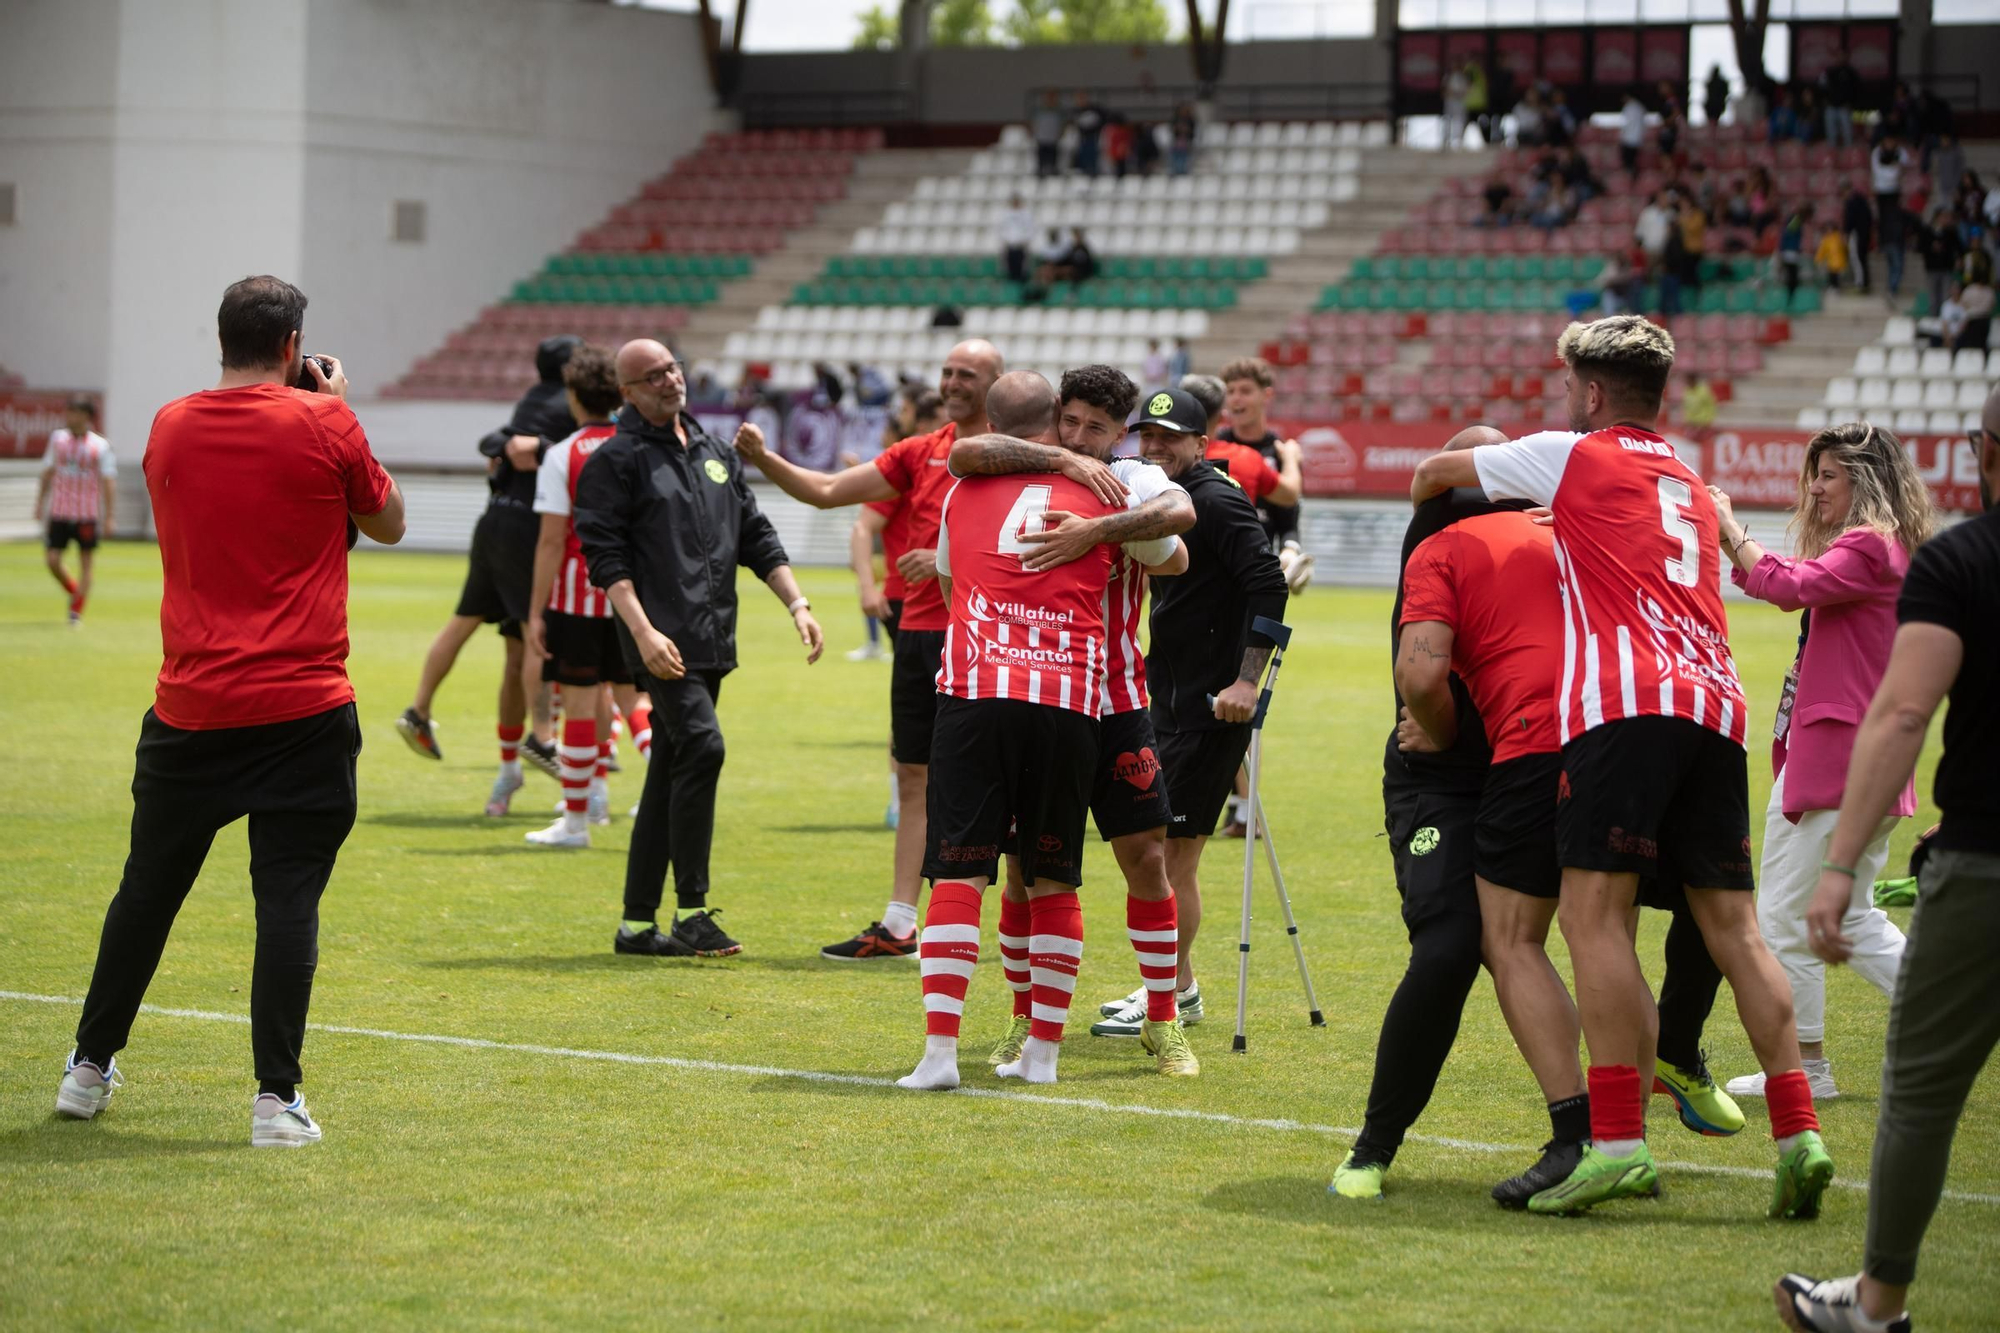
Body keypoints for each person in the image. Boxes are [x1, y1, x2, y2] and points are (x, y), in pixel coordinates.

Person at [1411, 314, 1834, 1220]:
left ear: (1593, 393)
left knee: (1591, 917)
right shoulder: (1687, 474)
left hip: (1624, 704)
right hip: (1716, 703)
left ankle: (1615, 1144)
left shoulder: (1573, 452)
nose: (1565, 401)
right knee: (1737, 928)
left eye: (1570, 388)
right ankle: (1800, 1130)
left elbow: (1439, 473)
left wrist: (1434, 504)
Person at [1334, 429, 1739, 1204]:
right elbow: (1421, 678)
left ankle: (1649, 1081)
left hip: (1555, 752)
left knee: (1695, 895)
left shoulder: (1571, 536)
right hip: (1447, 777)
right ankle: (1375, 1145)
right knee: (1455, 944)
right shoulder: (1444, 537)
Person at [53, 275, 405, 1145]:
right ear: (294, 346)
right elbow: (387, 519)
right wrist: (332, 408)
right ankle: (274, 1101)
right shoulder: (325, 421)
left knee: (146, 893)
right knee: (287, 900)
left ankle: (87, 1068)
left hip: (192, 702)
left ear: (224, 338)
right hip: (303, 704)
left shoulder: (170, 423)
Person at [1771, 385, 2000, 1333]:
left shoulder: (1925, 554)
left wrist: (1737, 548)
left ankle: (1877, 1301)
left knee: (1917, 1085)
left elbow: (1904, 710)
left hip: (1959, 836)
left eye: (1827, 474)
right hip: (1881, 780)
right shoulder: (1915, 548)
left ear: (1987, 448)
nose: (1816, 489)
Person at [945, 366, 1200, 1074]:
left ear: (1122, 435)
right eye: (1072, 420)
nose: (1080, 435)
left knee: (1146, 857)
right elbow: (963, 454)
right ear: (1055, 415)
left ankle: (1161, 1016)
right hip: (1039, 695)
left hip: (1115, 698)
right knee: (1026, 869)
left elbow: (1180, 528)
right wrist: (1061, 458)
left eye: (1097, 428)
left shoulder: (1137, 480)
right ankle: (1027, 1019)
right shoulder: (1026, 465)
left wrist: (1095, 532)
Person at [894, 372, 1142, 1091]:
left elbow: (948, 587)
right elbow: (1173, 550)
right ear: (1056, 422)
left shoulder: (962, 489)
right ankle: (1043, 1056)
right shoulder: (1104, 488)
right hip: (1068, 700)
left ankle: (941, 1055)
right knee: (1053, 878)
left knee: (959, 871)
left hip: (975, 691)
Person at [737, 342, 1021, 962]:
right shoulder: (919, 452)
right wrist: (764, 459)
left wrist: (954, 558)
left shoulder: (1022, 454)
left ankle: (1009, 927)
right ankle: (899, 924)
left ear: (996, 384)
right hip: (920, 634)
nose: (950, 382)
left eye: (965, 375)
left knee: (997, 786)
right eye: (946, 372)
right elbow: (828, 490)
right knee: (912, 774)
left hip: (988, 634)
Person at [574, 340, 824, 960]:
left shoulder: (714, 451)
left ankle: (636, 925)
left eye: (672, 368)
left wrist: (797, 604)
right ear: (626, 392)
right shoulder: (617, 459)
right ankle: (691, 912)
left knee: (672, 766)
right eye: (652, 375)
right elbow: (605, 560)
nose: (669, 380)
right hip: (659, 642)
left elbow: (756, 536)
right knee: (703, 748)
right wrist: (643, 632)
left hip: (712, 639)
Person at [1711, 423, 1937, 1101]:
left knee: (1782, 913)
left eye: (1830, 474)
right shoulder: (1889, 546)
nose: (1815, 487)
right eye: (1816, 473)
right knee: (1856, 914)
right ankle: (1957, 1007)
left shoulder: (1871, 544)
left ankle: (1807, 1067)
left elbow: (1787, 585)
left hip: (1836, 761)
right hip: (1858, 759)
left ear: (1865, 480)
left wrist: (1728, 527)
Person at [1081, 387, 1289, 1031]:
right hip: (1169, 698)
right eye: (1147, 436)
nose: (1155, 447)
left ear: (1201, 444)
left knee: (1172, 854)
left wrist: (1248, 684)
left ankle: (1168, 991)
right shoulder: (1158, 495)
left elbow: (1270, 583)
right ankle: (1180, 987)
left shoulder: (1216, 499)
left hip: (1212, 707)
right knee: (1158, 847)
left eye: (1170, 437)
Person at [395, 335, 578, 813]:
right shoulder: (569, 404)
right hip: (528, 530)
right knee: (535, 631)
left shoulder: (532, 398)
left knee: (480, 628)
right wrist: (540, 446)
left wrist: (522, 444)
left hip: (493, 519)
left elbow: (494, 441)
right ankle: (542, 737)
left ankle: (422, 710)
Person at [522, 345, 632, 848]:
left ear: (573, 395)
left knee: (581, 707)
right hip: (632, 597)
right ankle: (666, 796)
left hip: (577, 597)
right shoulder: (638, 447)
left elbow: (549, 539)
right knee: (637, 703)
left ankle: (576, 823)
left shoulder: (564, 453)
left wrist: (535, 611)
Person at [34, 396, 115, 627]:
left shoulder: (100, 445)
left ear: (87, 417)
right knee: (52, 560)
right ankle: (74, 590)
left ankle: (76, 611)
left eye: (75, 413)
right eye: (68, 412)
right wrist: (39, 503)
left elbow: (108, 481)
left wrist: (109, 516)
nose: (70, 417)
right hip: (60, 510)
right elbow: (48, 471)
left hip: (86, 514)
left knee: (86, 563)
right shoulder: (57, 439)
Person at [1873, 136, 1913, 300]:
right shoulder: (1887, 216)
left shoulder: (1899, 215)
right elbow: (1887, 174)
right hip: (1892, 242)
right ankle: (1892, 288)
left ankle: (1892, 288)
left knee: (1896, 266)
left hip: (1896, 242)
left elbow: (1902, 168)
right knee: (1895, 265)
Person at [1822, 49, 1858, 150]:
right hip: (1831, 106)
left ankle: (1849, 155)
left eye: (1843, 56)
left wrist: (1851, 103)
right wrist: (1825, 100)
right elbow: (1822, 87)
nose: (1840, 58)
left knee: (1847, 133)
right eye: (1839, 56)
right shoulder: (1830, 71)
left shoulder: (1851, 73)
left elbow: (1856, 90)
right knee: (1831, 134)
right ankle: (1832, 156)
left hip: (1844, 107)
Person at [998, 194, 1036, 286]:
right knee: (1010, 268)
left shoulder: (1026, 214)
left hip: (1021, 246)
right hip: (1010, 245)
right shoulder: (1005, 214)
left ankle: (1021, 284)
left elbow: (1030, 228)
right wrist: (1006, 240)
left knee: (1022, 268)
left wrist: (1025, 240)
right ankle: (1012, 284)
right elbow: (1001, 229)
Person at [1843, 185, 1876, 292]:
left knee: (1856, 258)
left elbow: (1849, 220)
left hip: (1857, 234)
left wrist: (1847, 233)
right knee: (1862, 258)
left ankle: (1860, 283)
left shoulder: (1852, 202)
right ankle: (1863, 283)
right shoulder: (1863, 201)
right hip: (1864, 234)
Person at [1031, 90, 1064, 178]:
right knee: (1041, 158)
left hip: (1053, 139)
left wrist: (1060, 133)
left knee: (1053, 158)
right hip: (1042, 138)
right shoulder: (1039, 110)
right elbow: (1034, 124)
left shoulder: (1059, 111)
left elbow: (1062, 125)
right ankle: (1040, 171)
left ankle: (1053, 171)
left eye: (1052, 97)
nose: (1050, 99)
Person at [1070, 92, 1104, 177]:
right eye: (1079, 99)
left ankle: (1092, 172)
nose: (1080, 101)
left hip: (1091, 139)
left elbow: (1098, 122)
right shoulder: (1076, 111)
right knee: (1080, 158)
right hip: (1080, 139)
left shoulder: (1094, 109)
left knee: (1091, 157)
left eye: (1082, 99)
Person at [1619, 89, 1647, 178]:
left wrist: (1622, 136)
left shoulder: (1628, 107)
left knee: (1629, 163)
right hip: (1637, 139)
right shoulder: (1640, 107)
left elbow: (1625, 124)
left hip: (1628, 139)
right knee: (1634, 162)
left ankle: (1630, 180)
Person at [1442, 63, 1470, 152]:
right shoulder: (1448, 77)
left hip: (1460, 102)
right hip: (1450, 101)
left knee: (1460, 121)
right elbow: (1444, 90)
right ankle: (1446, 140)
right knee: (1448, 120)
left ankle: (1459, 141)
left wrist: (1459, 94)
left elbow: (1466, 89)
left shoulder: (1463, 77)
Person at [1682, 373, 1718, 440]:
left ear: (1694, 380)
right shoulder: (1687, 391)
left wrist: (1707, 421)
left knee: (1704, 443)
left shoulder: (1704, 391)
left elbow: (1711, 406)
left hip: (1703, 423)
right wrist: (1687, 421)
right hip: (1692, 423)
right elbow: (1687, 407)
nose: (1688, 383)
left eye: (1689, 381)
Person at [1817, 223, 1850, 292]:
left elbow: (1845, 248)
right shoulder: (1826, 239)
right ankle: (1834, 287)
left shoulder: (1839, 237)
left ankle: (1836, 288)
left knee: (1837, 276)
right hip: (1831, 262)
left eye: (1830, 228)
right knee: (1832, 275)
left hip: (1840, 261)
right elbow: (1822, 250)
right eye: (1828, 229)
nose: (1829, 230)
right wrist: (1819, 259)